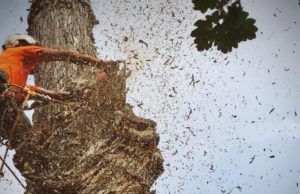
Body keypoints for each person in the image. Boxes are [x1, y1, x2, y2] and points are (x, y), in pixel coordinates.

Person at [0, 33, 117, 148]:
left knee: (27, 142)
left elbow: (38, 92)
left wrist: (62, 95)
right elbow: (63, 54)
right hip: (3, 93)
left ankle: (30, 158)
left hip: (6, 108)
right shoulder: (18, 51)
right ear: (16, 44)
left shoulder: (16, 81)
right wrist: (99, 63)